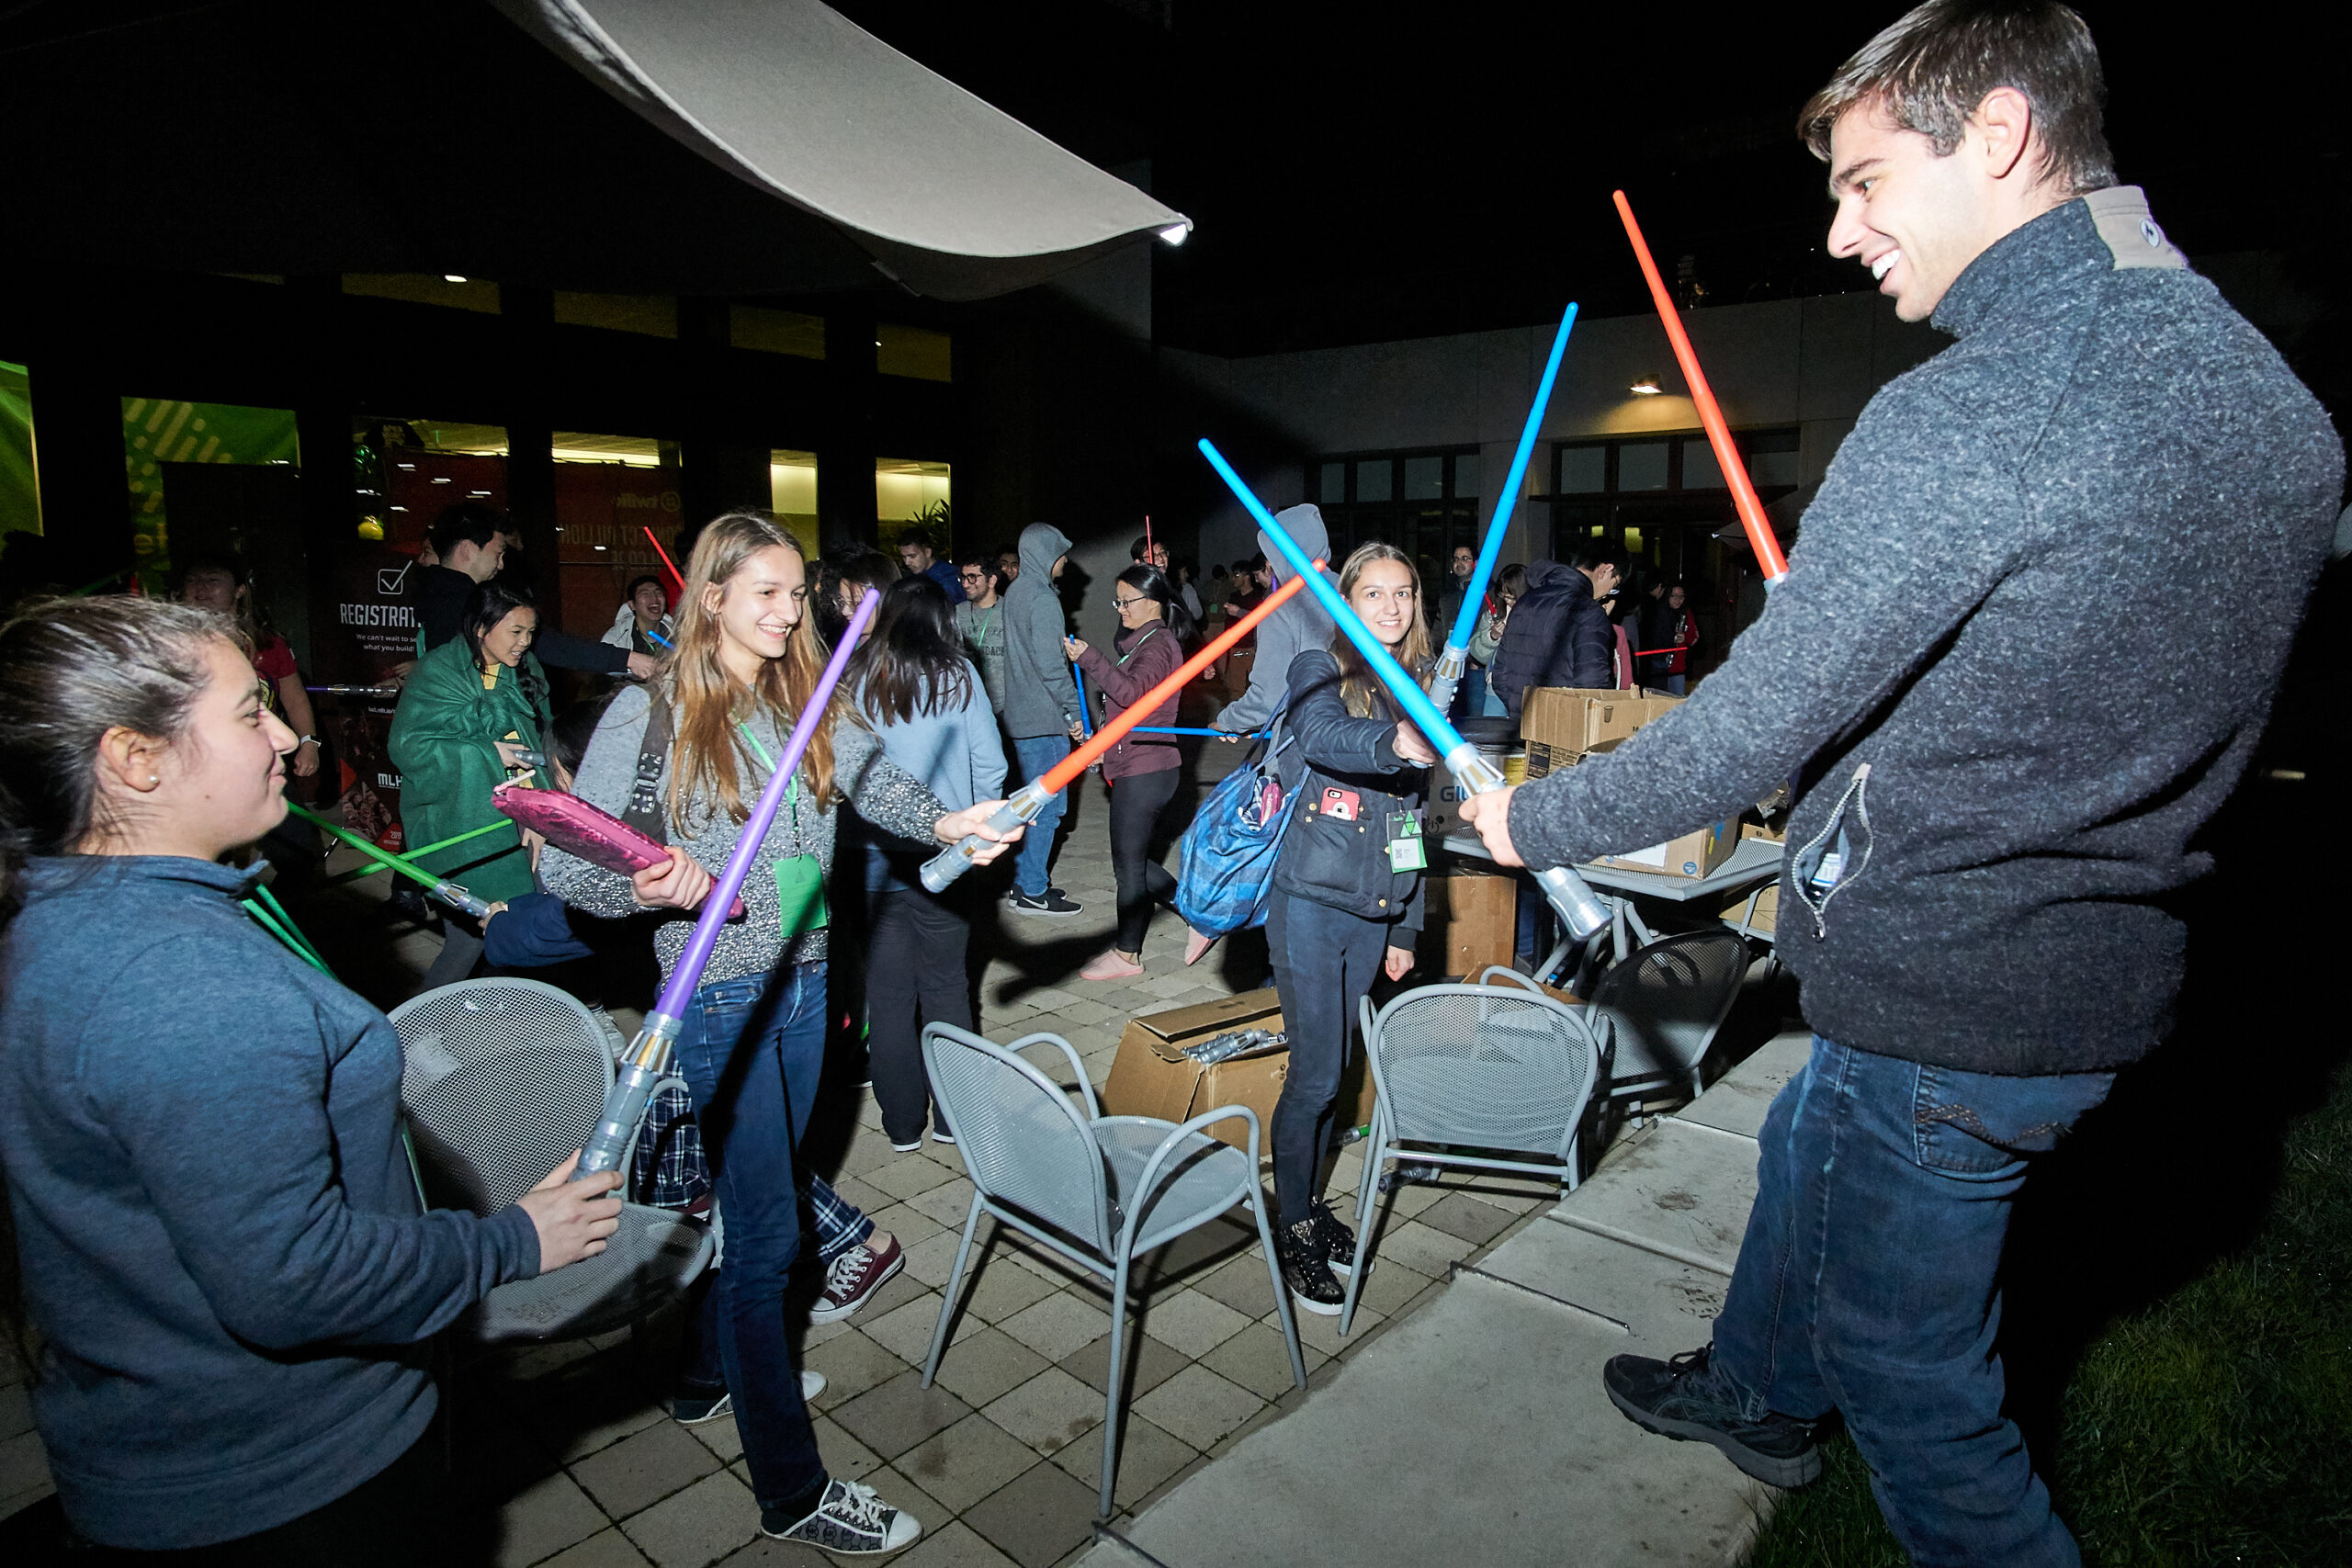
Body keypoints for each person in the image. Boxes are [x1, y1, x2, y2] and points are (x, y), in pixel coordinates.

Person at [1457, 4, 2342, 1561]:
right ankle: (1754, 1393)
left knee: (1919, 1389)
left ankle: (1831, 1412)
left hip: (1957, 980)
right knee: (1810, 1133)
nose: (1840, 226)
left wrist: (1529, 819)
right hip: (2084, 970)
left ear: (2000, 135)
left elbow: (1747, 738)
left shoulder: (1975, 410)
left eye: (1868, 180)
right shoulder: (2261, 388)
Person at [0, 595, 621, 1560]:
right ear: (136, 759)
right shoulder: (178, 987)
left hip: (184, 1444)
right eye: (251, 712)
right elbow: (293, 1281)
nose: (289, 737)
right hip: (290, 1477)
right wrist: (509, 1243)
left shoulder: (72, 919)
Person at [539, 513, 1018, 1554]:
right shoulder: (652, 712)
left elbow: (870, 780)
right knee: (768, 1239)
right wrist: (646, 881)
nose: (791, 610)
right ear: (711, 595)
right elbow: (566, 864)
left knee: (767, 1198)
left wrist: (945, 822)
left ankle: (708, 1375)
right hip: (716, 997)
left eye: (798, 592)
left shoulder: (806, 691)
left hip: (805, 982)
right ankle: (792, 1494)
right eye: (767, 590)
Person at [483, 696, 913, 1328]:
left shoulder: (650, 840)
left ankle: (850, 1247)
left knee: (731, 1154)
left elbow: (551, 929)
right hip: (727, 1008)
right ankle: (733, 1325)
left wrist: (516, 903)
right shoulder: (669, 801)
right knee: (731, 1154)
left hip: (721, 1012)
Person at [1263, 543, 1434, 1315]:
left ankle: (1304, 1197)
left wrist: (1407, 925)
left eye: (1403, 593)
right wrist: (1394, 740)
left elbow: (1412, 820)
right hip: (1309, 902)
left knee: (1335, 1072)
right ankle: (1290, 1217)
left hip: (1372, 911)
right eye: (1373, 593)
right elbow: (1324, 739)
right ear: (1346, 600)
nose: (1392, 608)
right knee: (1319, 1075)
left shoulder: (1421, 681)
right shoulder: (1317, 667)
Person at [847, 576, 1005, 1147]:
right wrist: (977, 825)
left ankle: (902, 1123)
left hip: (870, 860)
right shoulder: (957, 675)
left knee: (887, 995)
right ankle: (953, 1117)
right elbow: (990, 766)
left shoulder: (853, 675)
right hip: (948, 853)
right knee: (945, 986)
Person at [389, 581, 552, 992]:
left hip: (520, 820)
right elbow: (408, 747)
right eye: (515, 632)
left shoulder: (526, 671)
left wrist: (540, 815)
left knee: (519, 928)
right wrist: (486, 753)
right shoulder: (438, 672)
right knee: (467, 941)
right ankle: (417, 1031)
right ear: (482, 628)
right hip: (462, 825)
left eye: (530, 632)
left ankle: (484, 1017)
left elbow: (534, 746)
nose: (524, 643)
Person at [1065, 563, 1191, 981]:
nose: (1120, 608)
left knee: (1129, 867)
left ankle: (1127, 955)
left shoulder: (1159, 644)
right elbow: (1124, 709)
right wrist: (1101, 743)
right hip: (1139, 765)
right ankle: (1199, 910)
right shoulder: (1146, 642)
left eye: (1127, 600)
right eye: (1117, 600)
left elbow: (1132, 696)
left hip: (1147, 770)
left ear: (1153, 602)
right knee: (1134, 860)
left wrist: (1091, 659)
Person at [416, 503, 654, 682]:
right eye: (498, 554)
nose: (500, 565)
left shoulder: (432, 594)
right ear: (468, 550)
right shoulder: (470, 605)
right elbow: (549, 645)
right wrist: (628, 659)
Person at [1000, 522, 1085, 916]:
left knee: (1029, 804)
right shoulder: (1043, 600)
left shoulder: (1016, 592)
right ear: (1044, 554)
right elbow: (1052, 669)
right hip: (1044, 720)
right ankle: (1032, 889)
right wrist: (1074, 712)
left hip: (1020, 715)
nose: (1065, 559)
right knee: (1047, 810)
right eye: (1059, 552)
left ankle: (1022, 883)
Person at [1215, 513, 1338, 741]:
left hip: (1305, 737)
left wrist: (1230, 720)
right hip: (1359, 734)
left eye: (1270, 554)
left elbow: (1270, 695)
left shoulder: (1282, 603)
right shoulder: (1351, 589)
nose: (1269, 565)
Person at [1487, 542, 1624, 717]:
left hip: (1522, 726)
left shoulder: (1525, 602)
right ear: (1606, 570)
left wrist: (1519, 709)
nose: (1607, 594)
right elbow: (1593, 683)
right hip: (1564, 729)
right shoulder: (1588, 610)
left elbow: (1500, 675)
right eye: (1614, 586)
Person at [953, 552, 1010, 716]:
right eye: (963, 577)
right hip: (968, 704)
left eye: (972, 577)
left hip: (1005, 707)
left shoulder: (1010, 611)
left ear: (991, 580)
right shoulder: (956, 613)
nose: (965, 584)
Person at [1645, 580, 1700, 695]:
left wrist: (1684, 638)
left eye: (1681, 596)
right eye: (1674, 596)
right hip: (1659, 664)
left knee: (1677, 700)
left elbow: (1694, 636)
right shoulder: (1660, 612)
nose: (1678, 600)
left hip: (1678, 667)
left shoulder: (1685, 613)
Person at [603, 573, 674, 660]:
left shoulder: (679, 634)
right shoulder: (617, 637)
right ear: (632, 605)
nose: (654, 598)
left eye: (658, 593)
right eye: (645, 594)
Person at [896, 526, 963, 604]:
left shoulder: (948, 578)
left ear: (927, 552)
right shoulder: (909, 575)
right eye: (904, 557)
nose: (907, 562)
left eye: (912, 556)